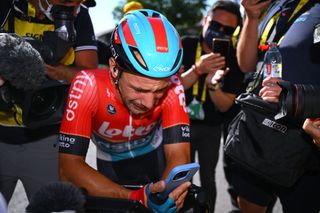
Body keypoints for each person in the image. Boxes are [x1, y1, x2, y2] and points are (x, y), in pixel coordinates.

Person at [58, 9, 191, 213]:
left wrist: (166, 194)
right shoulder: (87, 85)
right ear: (114, 68)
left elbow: (179, 155)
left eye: (159, 91)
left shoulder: (174, 85)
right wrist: (134, 197)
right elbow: (68, 167)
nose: (148, 103)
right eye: (139, 89)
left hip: (152, 156)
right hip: (110, 162)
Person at [0, 0, 97, 204]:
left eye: (78, 1)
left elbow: (90, 75)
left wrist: (49, 70)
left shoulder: (80, 15)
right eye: (66, 1)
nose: (74, 7)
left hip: (47, 136)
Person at [234, 0, 320, 212]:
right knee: (248, 204)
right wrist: (252, 18)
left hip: (304, 135)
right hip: (260, 129)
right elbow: (245, 64)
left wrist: (297, 97)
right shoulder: (274, 6)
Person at [179, 1, 244, 212]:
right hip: (180, 126)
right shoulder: (184, 45)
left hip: (212, 128)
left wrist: (212, 85)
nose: (220, 32)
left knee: (208, 178)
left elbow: (226, 107)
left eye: (229, 30)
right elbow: (168, 89)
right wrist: (197, 70)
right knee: (180, 179)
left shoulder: (233, 58)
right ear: (205, 20)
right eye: (216, 24)